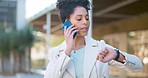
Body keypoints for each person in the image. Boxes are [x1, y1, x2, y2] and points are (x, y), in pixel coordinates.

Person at [44, 0, 143, 78]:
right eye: (79, 19)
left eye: (87, 18)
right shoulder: (56, 52)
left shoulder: (100, 47)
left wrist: (117, 55)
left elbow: (138, 66)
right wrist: (67, 51)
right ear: (67, 22)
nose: (85, 22)